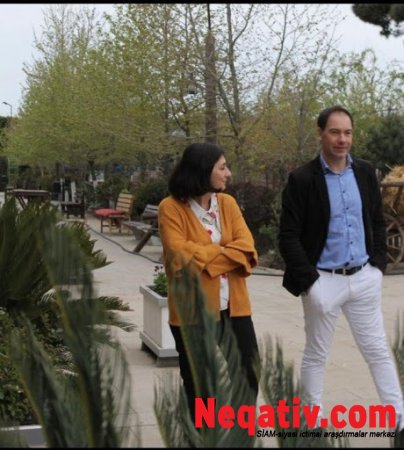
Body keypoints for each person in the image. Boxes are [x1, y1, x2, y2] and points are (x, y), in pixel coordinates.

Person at [278, 105, 404, 429]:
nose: (342, 139)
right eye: (334, 132)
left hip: (364, 277)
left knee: (377, 351)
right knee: (316, 354)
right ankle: (312, 423)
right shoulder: (302, 179)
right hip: (323, 280)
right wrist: (311, 283)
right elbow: (288, 236)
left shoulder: (364, 172)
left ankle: (399, 420)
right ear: (321, 133)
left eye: (347, 133)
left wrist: (377, 267)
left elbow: (376, 221)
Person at [158, 142, 260, 420]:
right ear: (203, 171)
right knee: (200, 386)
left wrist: (204, 259)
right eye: (222, 167)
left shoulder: (227, 203)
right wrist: (226, 253)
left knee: (248, 375)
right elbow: (180, 256)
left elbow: (247, 248)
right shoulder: (170, 208)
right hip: (193, 311)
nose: (228, 173)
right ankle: (205, 436)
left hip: (235, 308)